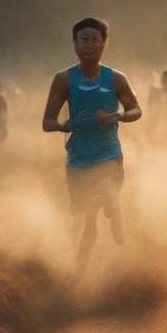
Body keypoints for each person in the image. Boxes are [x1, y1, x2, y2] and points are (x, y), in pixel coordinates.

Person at [41, 17, 142, 274]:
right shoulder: (64, 79)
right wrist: (63, 125)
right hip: (78, 157)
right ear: (74, 44)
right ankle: (82, 264)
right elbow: (47, 121)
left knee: (109, 187)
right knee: (86, 217)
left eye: (94, 40)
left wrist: (117, 116)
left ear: (104, 44)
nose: (88, 45)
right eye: (83, 40)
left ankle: (114, 210)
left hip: (109, 152)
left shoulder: (116, 79)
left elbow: (136, 109)